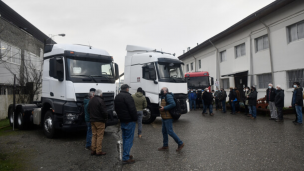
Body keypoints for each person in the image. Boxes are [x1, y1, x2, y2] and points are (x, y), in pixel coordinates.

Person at [114, 84, 138, 164]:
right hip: (129, 120)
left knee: (125, 138)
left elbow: (116, 109)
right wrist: (135, 118)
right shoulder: (128, 96)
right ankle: (125, 157)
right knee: (129, 139)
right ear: (127, 89)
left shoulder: (117, 97)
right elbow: (132, 109)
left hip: (123, 120)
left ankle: (126, 154)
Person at [158, 87, 184, 151]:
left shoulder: (168, 96)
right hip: (164, 117)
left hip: (168, 117)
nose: (161, 91)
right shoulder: (164, 96)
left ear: (165, 91)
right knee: (164, 131)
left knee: (170, 131)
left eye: (162, 90)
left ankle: (180, 143)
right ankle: (165, 145)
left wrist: (164, 108)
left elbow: (173, 104)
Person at [88, 89, 108, 156]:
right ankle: (98, 151)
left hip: (92, 120)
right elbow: (104, 111)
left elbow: (88, 110)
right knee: (99, 135)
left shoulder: (91, 100)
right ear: (100, 94)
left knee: (94, 135)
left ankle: (93, 150)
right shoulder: (100, 101)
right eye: (101, 94)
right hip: (99, 120)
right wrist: (105, 118)